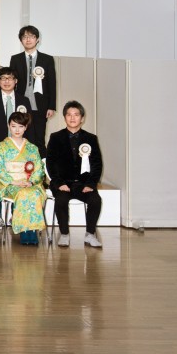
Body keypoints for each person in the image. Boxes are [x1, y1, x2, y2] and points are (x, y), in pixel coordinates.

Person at [47, 100, 104, 248]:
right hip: (62, 182)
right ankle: (64, 234)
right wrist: (59, 183)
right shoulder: (55, 137)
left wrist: (91, 184)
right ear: (64, 117)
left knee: (95, 200)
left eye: (76, 115)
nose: (72, 118)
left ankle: (90, 234)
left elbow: (97, 164)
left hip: (83, 184)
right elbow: (50, 164)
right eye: (69, 115)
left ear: (82, 118)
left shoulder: (91, 138)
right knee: (61, 200)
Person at [0, 111, 46, 244]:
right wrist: (13, 181)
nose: (17, 130)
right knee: (22, 194)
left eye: (21, 126)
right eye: (14, 126)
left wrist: (31, 181)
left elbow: (39, 168)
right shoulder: (2, 147)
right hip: (10, 184)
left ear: (25, 127)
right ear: (9, 126)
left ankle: (31, 231)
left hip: (28, 184)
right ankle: (23, 232)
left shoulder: (32, 148)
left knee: (32, 193)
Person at [9, 25, 57, 154]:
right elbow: (12, 81)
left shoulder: (47, 59)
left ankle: (40, 170)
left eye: (31, 36)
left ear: (37, 39)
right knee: (21, 137)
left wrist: (51, 106)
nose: (28, 39)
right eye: (25, 37)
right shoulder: (15, 59)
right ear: (21, 40)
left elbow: (52, 83)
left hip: (40, 105)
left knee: (39, 139)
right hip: (21, 104)